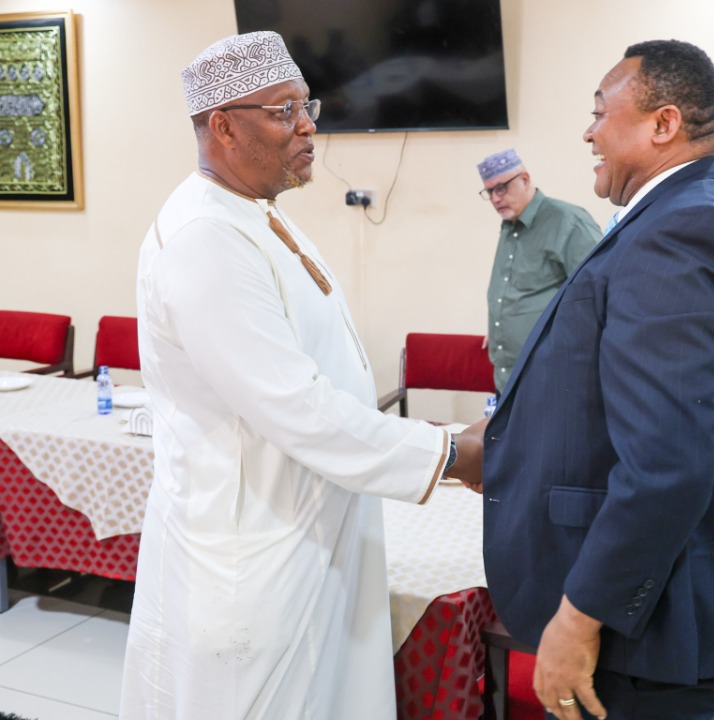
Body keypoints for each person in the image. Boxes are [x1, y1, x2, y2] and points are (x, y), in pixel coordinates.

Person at [119, 31, 481, 719]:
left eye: (305, 104)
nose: (309, 125)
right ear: (222, 126)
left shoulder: (255, 214)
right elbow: (298, 408)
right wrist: (452, 452)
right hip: (252, 559)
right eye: (283, 111)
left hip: (303, 537)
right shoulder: (206, 239)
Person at [480, 40, 714, 720]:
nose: (588, 131)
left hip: (654, 623)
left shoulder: (682, 230)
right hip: (660, 610)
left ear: (663, 123)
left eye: (599, 112)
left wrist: (579, 615)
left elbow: (667, 463)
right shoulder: (682, 214)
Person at [478, 149, 600, 394]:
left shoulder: (567, 221)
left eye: (501, 188)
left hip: (551, 374)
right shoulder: (509, 225)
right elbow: (520, 291)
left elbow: (597, 292)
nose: (495, 198)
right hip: (508, 375)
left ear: (524, 179)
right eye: (489, 191)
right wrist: (500, 325)